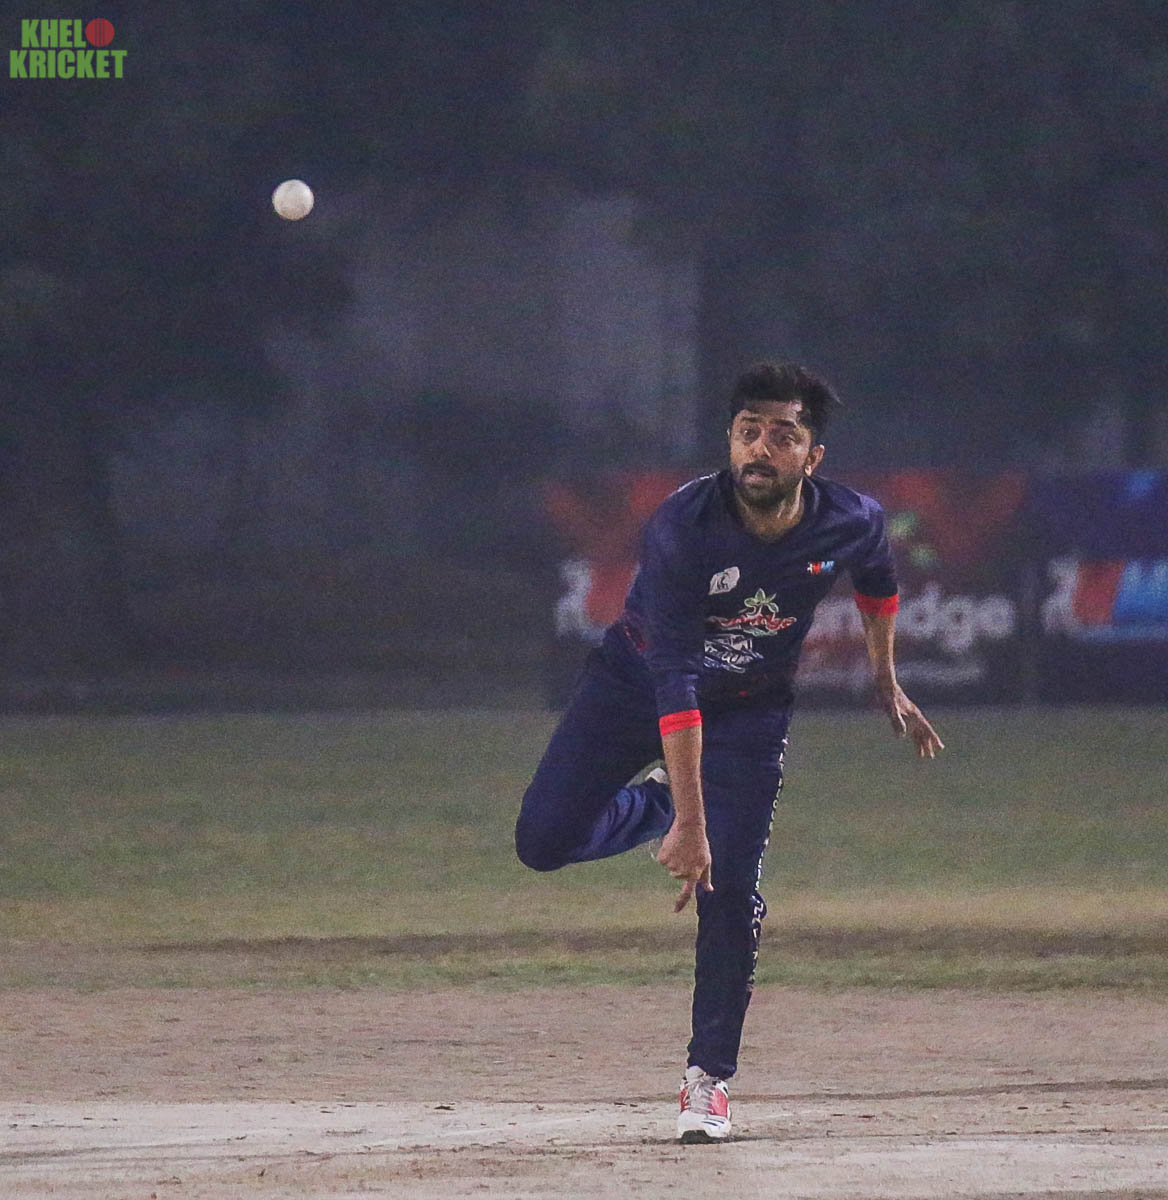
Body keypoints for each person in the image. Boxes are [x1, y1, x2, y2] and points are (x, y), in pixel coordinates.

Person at [515, 361, 943, 1144]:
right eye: (749, 432)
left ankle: (707, 1078)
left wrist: (887, 681)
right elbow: (675, 680)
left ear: (812, 456)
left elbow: (878, 584)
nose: (761, 449)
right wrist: (687, 818)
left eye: (783, 436)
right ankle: (657, 807)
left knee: (730, 890)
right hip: (636, 685)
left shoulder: (851, 519)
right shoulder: (684, 528)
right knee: (541, 841)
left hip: (749, 710)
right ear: (730, 440)